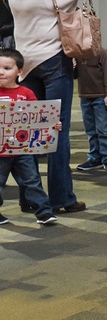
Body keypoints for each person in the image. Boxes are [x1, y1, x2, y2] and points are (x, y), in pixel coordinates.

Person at [6, 0, 107, 214]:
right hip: (54, 63)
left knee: (29, 132)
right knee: (57, 132)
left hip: (26, 66)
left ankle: (30, 197)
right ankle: (62, 198)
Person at [0, 48, 59, 226]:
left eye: (7, 68)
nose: (1, 72)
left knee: (32, 180)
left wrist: (52, 125)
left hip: (22, 149)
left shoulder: (26, 94)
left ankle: (44, 212)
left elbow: (40, 118)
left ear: (20, 72)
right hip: (0, 151)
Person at [75, 48, 107, 175]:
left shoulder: (100, 53)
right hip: (85, 97)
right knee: (90, 130)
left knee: (103, 130)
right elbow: (74, 75)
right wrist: (72, 67)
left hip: (100, 97)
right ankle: (95, 158)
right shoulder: (76, 54)